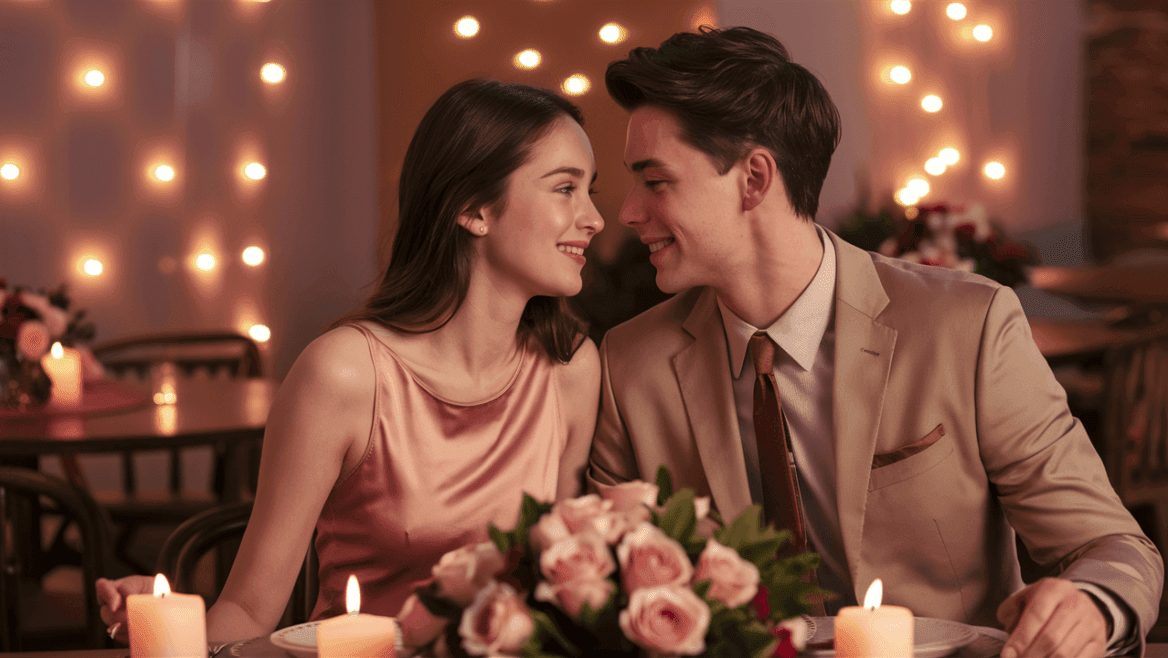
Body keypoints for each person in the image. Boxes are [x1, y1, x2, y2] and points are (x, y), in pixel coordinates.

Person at [587, 26, 1163, 658]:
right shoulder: (627, 365)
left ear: (754, 178)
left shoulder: (967, 328)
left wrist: (1091, 605)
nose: (627, 212)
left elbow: (1111, 546)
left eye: (655, 180)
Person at [97, 78, 603, 643]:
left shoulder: (570, 369)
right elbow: (249, 608)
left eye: (591, 191)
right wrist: (164, 631)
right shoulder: (343, 373)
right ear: (473, 208)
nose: (594, 218)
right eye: (565, 189)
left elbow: (562, 596)